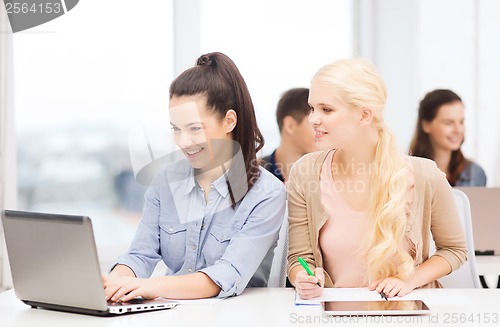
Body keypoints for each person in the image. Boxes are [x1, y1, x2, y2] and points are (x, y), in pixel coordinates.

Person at [103, 52, 287, 301]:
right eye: (176, 129)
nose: (184, 141)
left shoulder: (267, 193)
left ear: (229, 120)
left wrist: (152, 286)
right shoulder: (166, 181)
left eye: (194, 129)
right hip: (174, 314)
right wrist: (116, 282)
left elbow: (227, 274)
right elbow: (140, 255)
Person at [287, 58, 467, 300]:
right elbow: (298, 258)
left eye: (326, 109)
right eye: (312, 108)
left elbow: (455, 250)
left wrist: (409, 279)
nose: (313, 119)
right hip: (336, 314)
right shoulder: (305, 172)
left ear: (364, 115)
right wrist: (302, 277)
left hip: (404, 311)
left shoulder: (425, 175)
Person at [409, 89, 487, 186]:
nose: (458, 130)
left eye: (461, 122)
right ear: (426, 125)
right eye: (448, 123)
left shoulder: (476, 174)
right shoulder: (405, 172)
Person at [260, 88, 316, 183]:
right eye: (314, 124)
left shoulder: (328, 175)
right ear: (290, 126)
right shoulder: (253, 176)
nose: (321, 131)